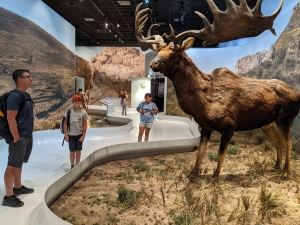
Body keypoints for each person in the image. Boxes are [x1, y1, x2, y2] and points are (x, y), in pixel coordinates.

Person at [3, 69, 34, 208]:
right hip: (19, 137)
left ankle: (18, 186)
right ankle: (9, 196)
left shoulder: (25, 95)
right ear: (20, 79)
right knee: (12, 165)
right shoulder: (15, 97)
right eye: (28, 77)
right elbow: (10, 118)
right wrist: (16, 137)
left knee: (18, 163)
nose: (31, 79)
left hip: (26, 136)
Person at [63, 94, 88, 169]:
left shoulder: (83, 113)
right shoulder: (69, 112)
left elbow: (85, 125)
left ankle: (77, 165)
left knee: (78, 151)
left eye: (79, 100)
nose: (77, 102)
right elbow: (65, 123)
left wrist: (83, 136)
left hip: (79, 135)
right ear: (73, 102)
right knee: (72, 151)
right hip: (71, 135)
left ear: (81, 101)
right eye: (75, 100)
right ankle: (72, 166)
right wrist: (66, 135)